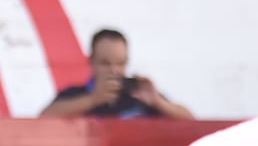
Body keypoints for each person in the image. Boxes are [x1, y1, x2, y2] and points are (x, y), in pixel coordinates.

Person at [38, 28, 193, 119]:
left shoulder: (140, 95)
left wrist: (159, 102)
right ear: (91, 62)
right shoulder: (74, 95)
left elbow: (191, 122)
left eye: (120, 63)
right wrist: (93, 99)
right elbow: (42, 120)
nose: (114, 70)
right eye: (105, 63)